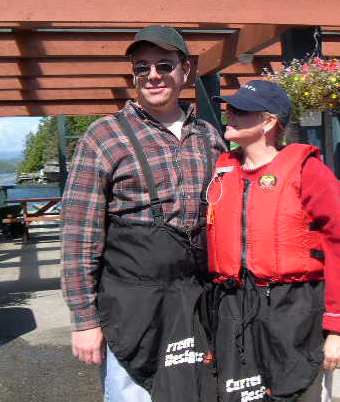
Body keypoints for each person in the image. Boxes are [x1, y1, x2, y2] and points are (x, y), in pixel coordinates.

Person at [60, 25, 225, 401]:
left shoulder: (209, 137)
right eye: (142, 67)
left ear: (185, 70)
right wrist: (84, 321)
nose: (153, 75)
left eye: (164, 65)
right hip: (132, 307)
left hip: (197, 302)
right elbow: (78, 237)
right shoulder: (103, 137)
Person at [205, 80, 340, 401]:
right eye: (229, 108)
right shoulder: (223, 169)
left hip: (295, 308)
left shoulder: (310, 172)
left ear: (268, 121)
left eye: (241, 110)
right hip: (234, 306)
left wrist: (339, 330)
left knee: (300, 391)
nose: (229, 114)